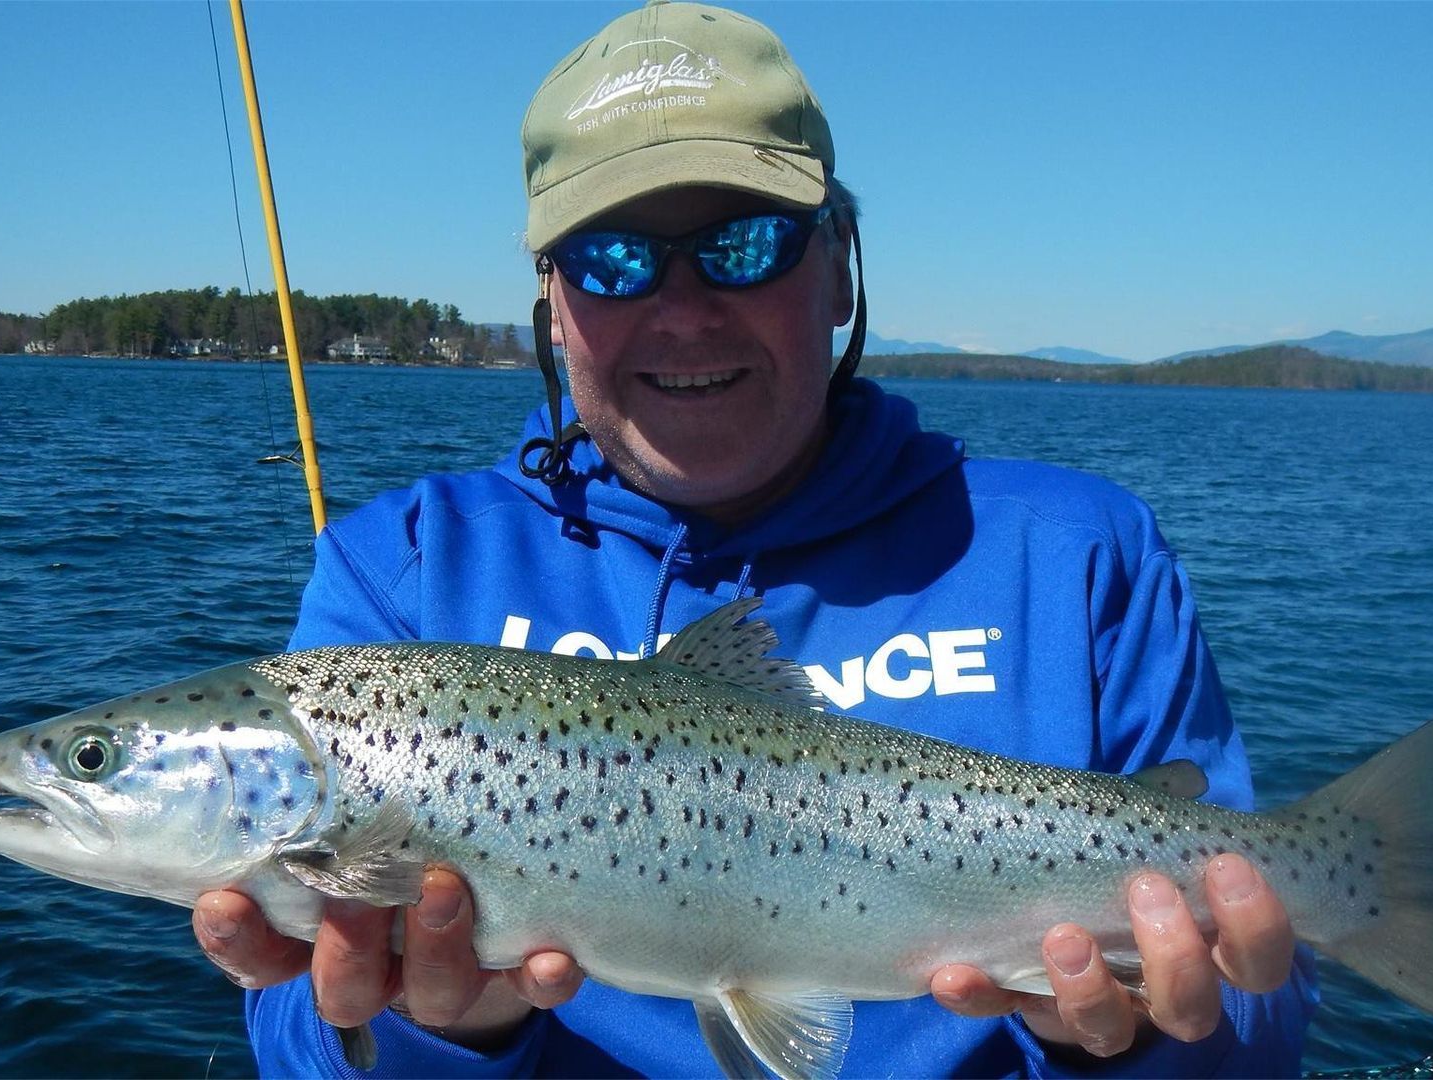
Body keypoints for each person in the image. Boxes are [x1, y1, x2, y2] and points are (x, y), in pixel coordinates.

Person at [193, 1, 1317, 1074]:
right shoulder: (403, 570)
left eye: (742, 246)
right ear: (550, 301)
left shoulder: (1079, 556)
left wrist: (1123, 1045)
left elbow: (1262, 1018)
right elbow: (304, 1044)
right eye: (613, 259)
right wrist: (449, 1037)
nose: (681, 310)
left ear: (839, 265)